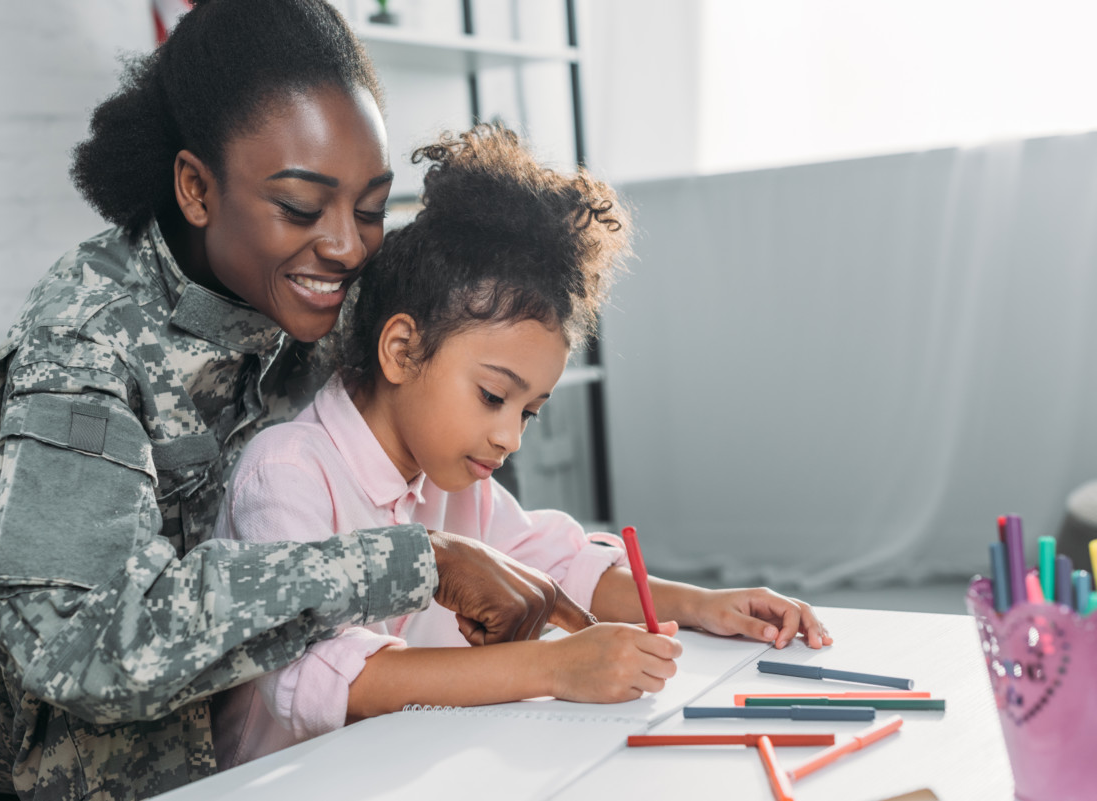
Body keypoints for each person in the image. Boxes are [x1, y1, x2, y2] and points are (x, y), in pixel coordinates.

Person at [0, 3, 597, 799]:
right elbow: (82, 648)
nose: (345, 245)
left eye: (371, 208)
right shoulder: (87, 338)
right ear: (197, 188)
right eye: (301, 208)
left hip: (249, 740)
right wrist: (419, 561)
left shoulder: (321, 292)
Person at [213, 123, 832, 767]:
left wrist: (704, 605)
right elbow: (324, 682)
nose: (509, 438)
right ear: (401, 350)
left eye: (530, 413)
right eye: (492, 396)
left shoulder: (457, 482)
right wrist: (552, 669)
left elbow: (557, 568)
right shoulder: (287, 472)